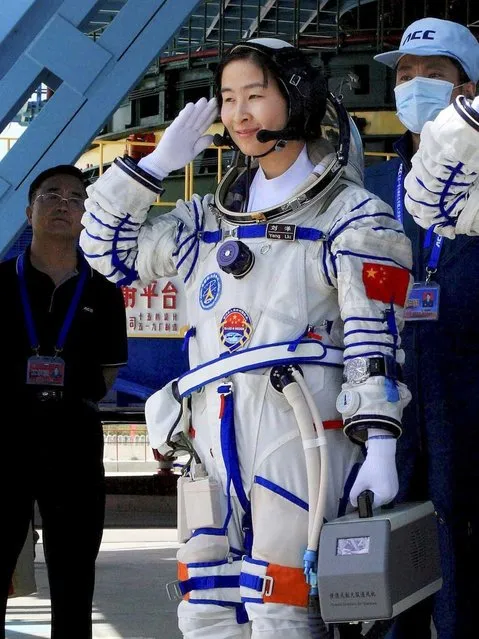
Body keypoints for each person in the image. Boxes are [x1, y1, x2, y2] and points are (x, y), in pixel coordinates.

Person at [80, 38, 412, 639]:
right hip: (210, 436)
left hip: (302, 432)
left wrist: (380, 442)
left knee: (282, 604)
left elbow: (375, 339)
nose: (238, 114)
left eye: (255, 96)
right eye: (228, 98)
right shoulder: (202, 222)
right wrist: (152, 167)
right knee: (206, 607)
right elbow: (103, 252)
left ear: (299, 98)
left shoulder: (353, 217)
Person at [364, 17, 479, 639]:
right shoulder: (380, 185)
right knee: (396, 527)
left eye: (432, 73)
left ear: (470, 87)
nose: (413, 84)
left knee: (461, 529)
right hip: (398, 386)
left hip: (469, 385)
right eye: (405, 74)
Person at [0, 165, 128, 639]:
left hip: (73, 446)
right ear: (29, 209)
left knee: (74, 575)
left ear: (85, 214)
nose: (63, 204)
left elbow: (109, 372)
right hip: (5, 442)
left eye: (75, 198)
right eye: (50, 194)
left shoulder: (104, 293)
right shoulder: (0, 283)